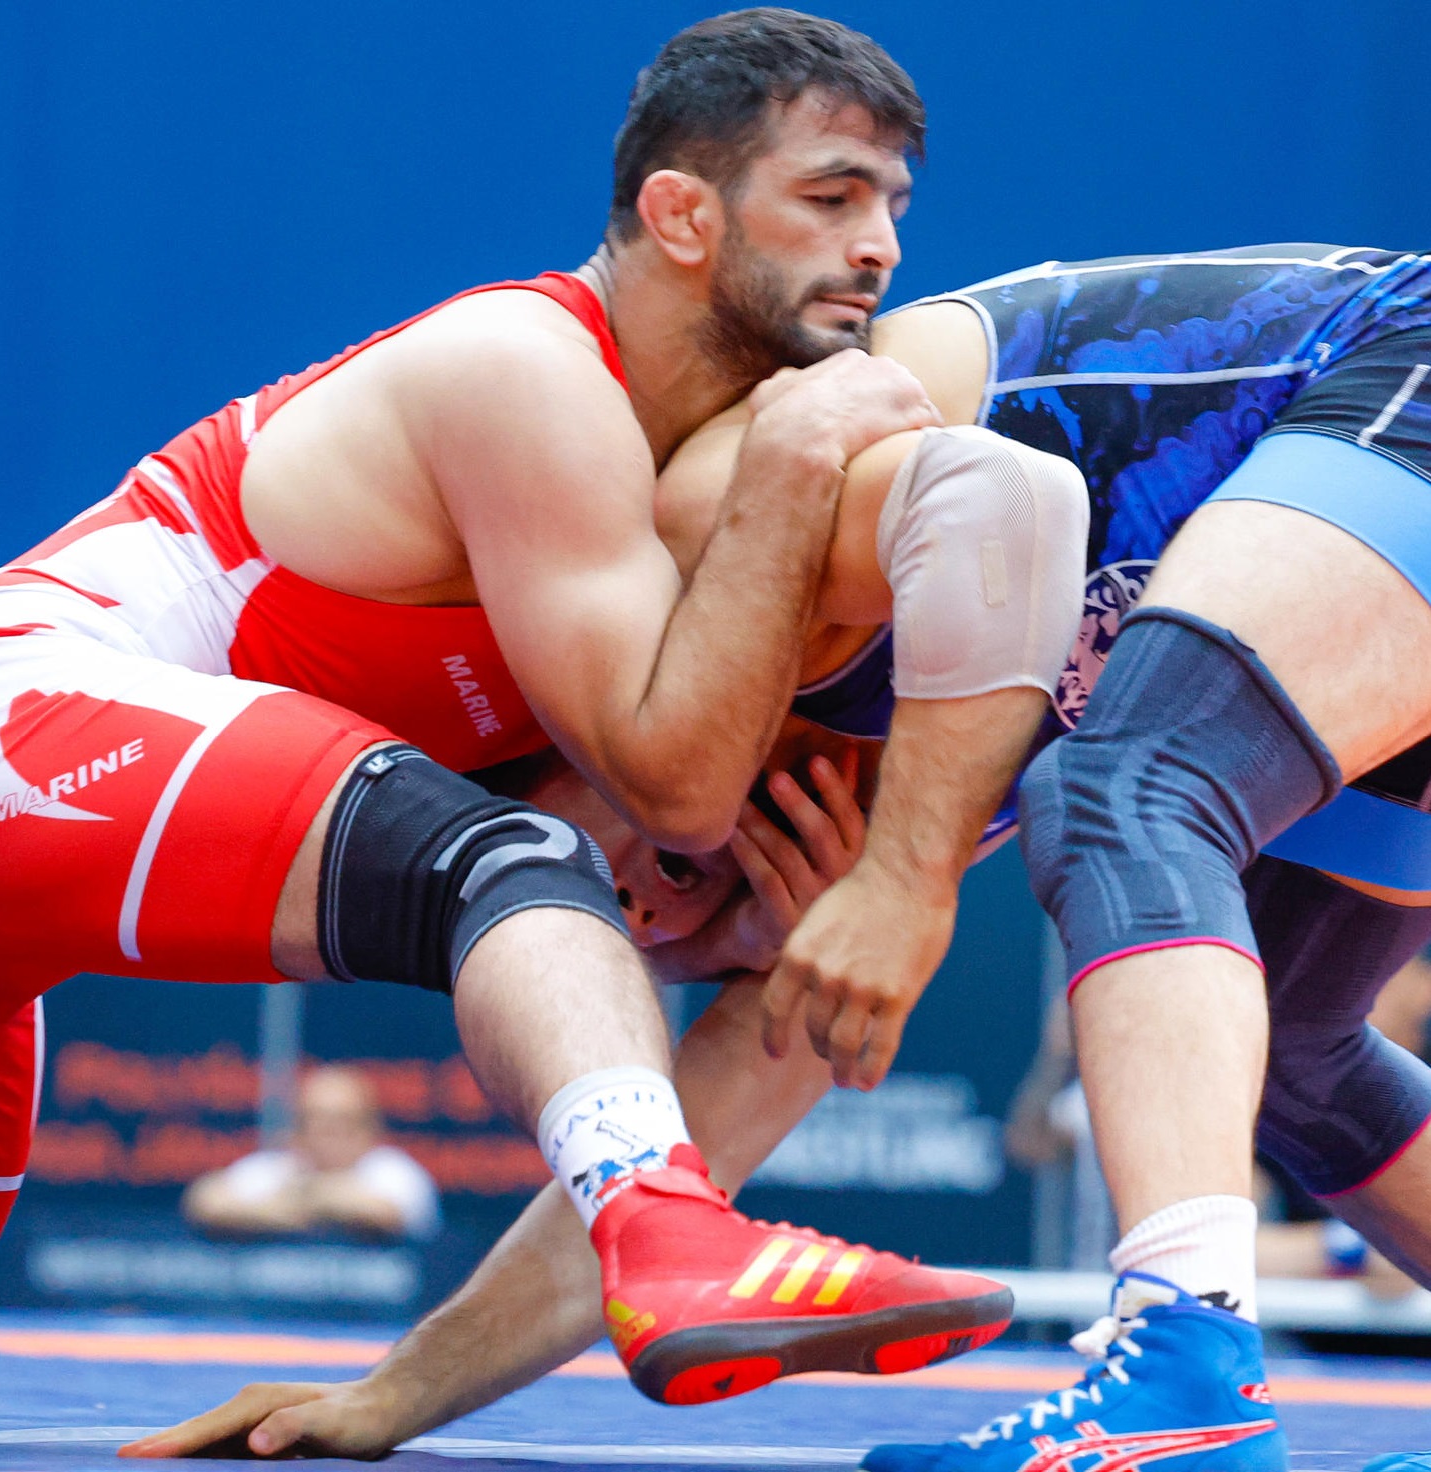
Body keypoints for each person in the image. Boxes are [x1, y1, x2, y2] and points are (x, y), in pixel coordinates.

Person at [0, 8, 1021, 1445]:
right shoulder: (529, 370)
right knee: (497, 868)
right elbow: (661, 794)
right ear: (680, 213)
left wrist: (719, 924)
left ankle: (661, 1218)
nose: (879, 246)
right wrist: (790, 469)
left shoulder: (666, 489)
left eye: (893, 203)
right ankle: (665, 1221)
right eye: (830, 196)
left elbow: (605, 854)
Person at [135, 242, 1431, 1471]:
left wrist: (904, 881)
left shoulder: (717, 556)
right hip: (1353, 569)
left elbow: (1008, 493)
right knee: (1283, 1040)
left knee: (1124, 790)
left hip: (1388, 369)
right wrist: (393, 1394)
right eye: (649, 924)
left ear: (560, 751)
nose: (650, 912)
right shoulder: (820, 848)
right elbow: (655, 1199)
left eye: (600, 876)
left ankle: (1185, 1375)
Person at [184, 1066, 442, 1241]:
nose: (329, 1132)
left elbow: (383, 1214)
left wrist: (301, 1197)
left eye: (343, 1121)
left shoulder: (393, 1169)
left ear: (370, 1128)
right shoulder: (279, 1166)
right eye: (315, 1121)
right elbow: (207, 1201)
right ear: (297, 1129)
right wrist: (298, 1213)